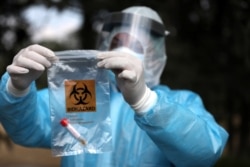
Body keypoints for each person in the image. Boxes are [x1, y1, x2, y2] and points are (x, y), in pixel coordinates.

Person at [0, 6, 228, 167]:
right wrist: (17, 90)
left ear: (155, 56)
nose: (125, 50)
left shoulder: (181, 103)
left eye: (137, 43)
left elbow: (204, 154)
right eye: (118, 42)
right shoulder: (81, 94)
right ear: (106, 45)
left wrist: (144, 101)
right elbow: (28, 129)